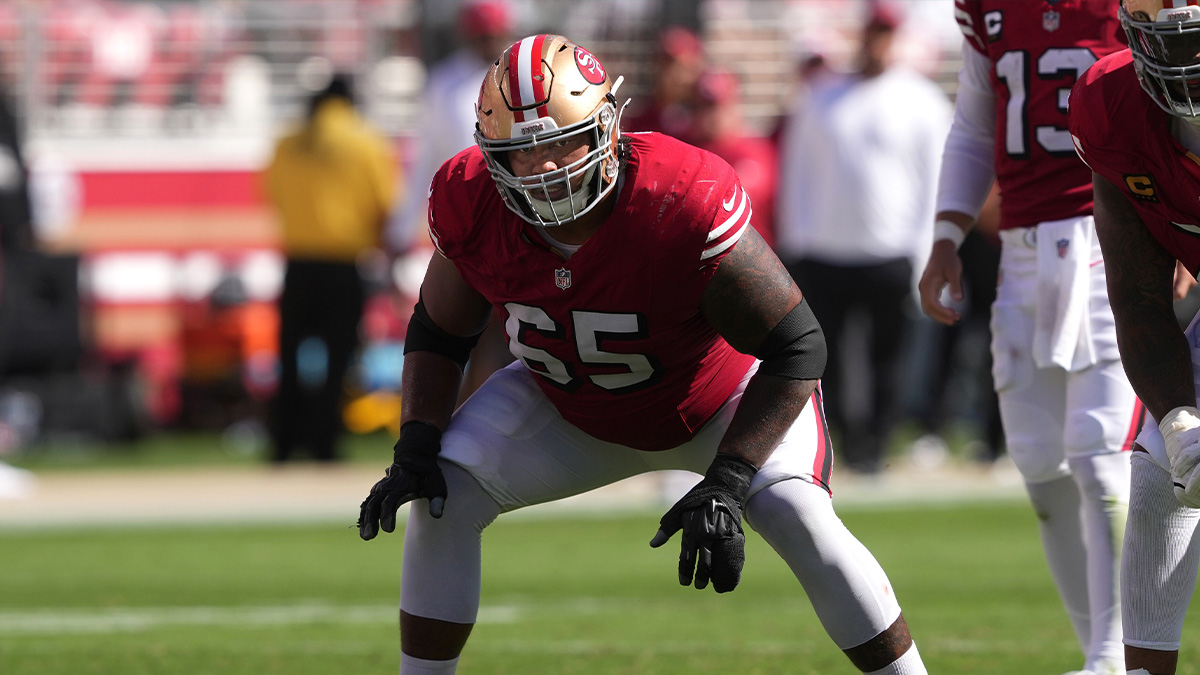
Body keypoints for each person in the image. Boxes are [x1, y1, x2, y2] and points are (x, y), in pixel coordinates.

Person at [357, 34, 926, 675]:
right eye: (522, 152)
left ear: (606, 128)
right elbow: (439, 330)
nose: (542, 167)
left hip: (719, 402)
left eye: (559, 142)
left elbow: (798, 345)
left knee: (792, 509)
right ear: (492, 157)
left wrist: (731, 481)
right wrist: (415, 443)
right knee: (442, 494)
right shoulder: (471, 199)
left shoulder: (680, 195)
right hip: (569, 404)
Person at [919, 3, 1138, 673]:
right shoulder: (985, 7)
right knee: (1042, 463)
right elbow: (974, 124)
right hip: (1018, 248)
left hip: (1110, 235)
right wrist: (946, 235)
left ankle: (1114, 659)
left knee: (1101, 452)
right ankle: (1098, 653)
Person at [1068, 1, 1200, 673]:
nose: (1189, 66)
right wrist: (1180, 422)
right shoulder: (1111, 106)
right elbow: (1139, 299)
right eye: (1174, 44)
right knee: (1162, 470)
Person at [774, 2, 952, 473]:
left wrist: (924, 251)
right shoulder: (821, 95)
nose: (877, 42)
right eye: (872, 32)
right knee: (823, 359)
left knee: (886, 360)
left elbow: (934, 181)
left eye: (886, 33)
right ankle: (834, 447)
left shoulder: (923, 100)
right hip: (825, 253)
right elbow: (798, 172)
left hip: (890, 252)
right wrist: (797, 241)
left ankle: (875, 448)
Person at [263, 73, 397, 462]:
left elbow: (268, 193)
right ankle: (325, 443)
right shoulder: (366, 140)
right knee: (340, 360)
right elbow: (385, 204)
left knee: (288, 357)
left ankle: (283, 444)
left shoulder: (288, 141)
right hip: (344, 265)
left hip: (298, 263)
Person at [388, 0, 516, 404]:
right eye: (482, 34)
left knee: (513, 342)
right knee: (471, 336)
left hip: (524, 223)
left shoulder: (520, 79)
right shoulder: (446, 85)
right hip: (474, 228)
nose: (489, 41)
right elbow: (427, 159)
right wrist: (400, 227)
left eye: (493, 33)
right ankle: (458, 434)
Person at [689, 68, 779, 248]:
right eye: (703, 106)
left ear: (735, 104)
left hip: (751, 262)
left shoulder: (755, 150)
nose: (711, 115)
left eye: (718, 106)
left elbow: (725, 202)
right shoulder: (688, 146)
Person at [620, 25, 705, 143]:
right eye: (665, 65)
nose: (674, 75)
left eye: (683, 67)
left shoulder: (707, 122)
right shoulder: (640, 125)